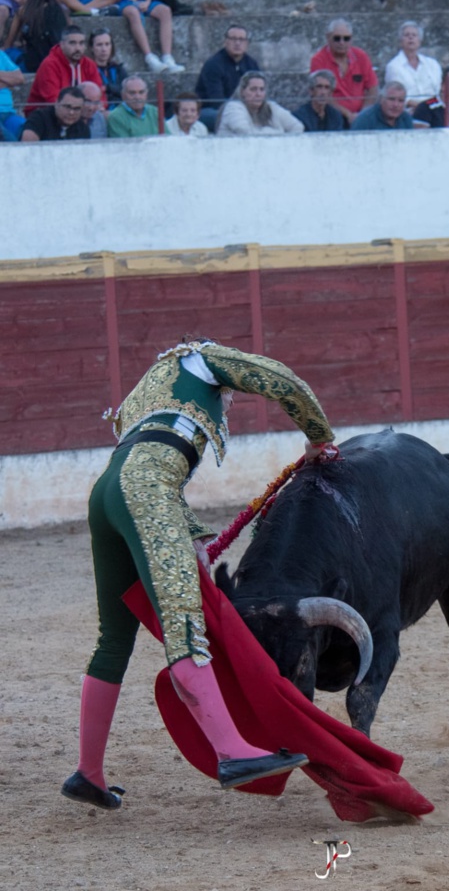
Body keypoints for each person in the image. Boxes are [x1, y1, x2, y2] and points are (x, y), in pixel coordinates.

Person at [60, 339, 338, 809]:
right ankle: (231, 751)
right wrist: (319, 438)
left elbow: (144, 459)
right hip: (145, 491)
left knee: (113, 639)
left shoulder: (145, 392)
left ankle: (88, 773)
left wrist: (190, 533)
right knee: (184, 623)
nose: (228, 401)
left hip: (107, 493)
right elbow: (283, 380)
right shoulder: (204, 359)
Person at [92, 0, 185, 74]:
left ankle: (167, 57)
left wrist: (148, 0)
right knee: (133, 12)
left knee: (165, 11)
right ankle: (149, 57)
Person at [310, 18, 379, 127]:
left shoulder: (361, 56)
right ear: (328, 38)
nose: (342, 42)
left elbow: (373, 89)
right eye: (337, 38)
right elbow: (322, 94)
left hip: (361, 114)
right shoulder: (319, 60)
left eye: (346, 38)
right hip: (332, 114)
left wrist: (363, 114)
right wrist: (348, 115)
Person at [25, 24, 106, 115]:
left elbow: (99, 94)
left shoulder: (89, 64)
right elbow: (53, 100)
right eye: (72, 43)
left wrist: (100, 107)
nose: (77, 48)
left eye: (81, 43)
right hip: (46, 115)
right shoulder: (49, 65)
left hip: (80, 112)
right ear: (62, 44)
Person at [195, 24, 260, 133]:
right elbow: (217, 101)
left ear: (247, 43)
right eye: (233, 39)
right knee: (229, 118)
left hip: (243, 110)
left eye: (241, 39)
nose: (237, 43)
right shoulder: (214, 64)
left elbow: (259, 92)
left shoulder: (251, 64)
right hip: (211, 110)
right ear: (225, 41)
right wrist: (240, 112)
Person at [3, 0, 66, 74]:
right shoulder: (61, 11)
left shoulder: (24, 11)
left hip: (32, 64)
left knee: (7, 53)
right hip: (57, 62)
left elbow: (9, 43)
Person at [216, 70, 304, 136]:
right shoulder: (233, 107)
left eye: (262, 89)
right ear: (242, 91)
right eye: (253, 89)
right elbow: (247, 134)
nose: (258, 94)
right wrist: (279, 133)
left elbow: (298, 127)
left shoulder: (271, 107)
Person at [384, 21, 442, 111]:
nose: (410, 38)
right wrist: (423, 108)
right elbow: (396, 94)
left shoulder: (433, 64)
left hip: (435, 109)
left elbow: (439, 91)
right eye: (406, 35)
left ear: (420, 41)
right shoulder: (393, 66)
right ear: (400, 41)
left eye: (414, 35)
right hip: (408, 111)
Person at [20, 84, 91, 140]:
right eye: (67, 107)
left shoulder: (82, 128)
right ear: (57, 103)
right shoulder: (38, 119)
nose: (71, 112)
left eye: (77, 109)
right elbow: (28, 149)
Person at [88, 27, 127, 105]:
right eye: (99, 45)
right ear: (91, 48)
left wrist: (108, 88)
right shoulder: (87, 69)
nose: (104, 49)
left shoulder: (118, 69)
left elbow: (128, 90)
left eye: (107, 44)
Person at [0, 46, 25, 140]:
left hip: (8, 112)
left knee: (29, 129)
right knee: (10, 141)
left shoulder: (0, 55)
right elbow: (14, 78)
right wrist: (7, 79)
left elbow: (19, 78)